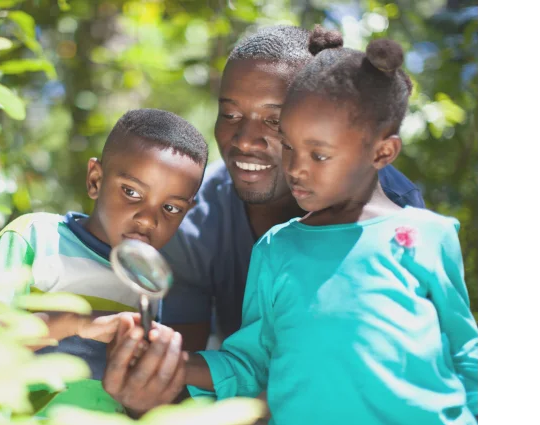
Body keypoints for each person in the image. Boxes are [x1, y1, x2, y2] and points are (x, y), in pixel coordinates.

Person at [101, 25, 426, 415]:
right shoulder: (192, 217)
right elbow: (183, 369)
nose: (244, 140)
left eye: (273, 121)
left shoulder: (390, 209)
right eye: (230, 114)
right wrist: (149, 387)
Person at [179, 35, 479, 424]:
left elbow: (464, 353)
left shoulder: (427, 235)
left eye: (319, 154)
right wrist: (174, 363)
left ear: (382, 153)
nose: (296, 168)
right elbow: (252, 364)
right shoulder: (275, 249)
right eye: (288, 146)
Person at [0, 108, 207, 416]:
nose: (148, 220)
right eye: (132, 192)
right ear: (95, 180)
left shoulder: (149, 280)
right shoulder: (39, 238)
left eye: (171, 208)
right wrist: (76, 323)